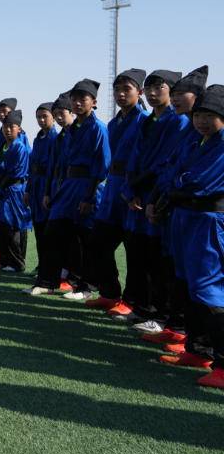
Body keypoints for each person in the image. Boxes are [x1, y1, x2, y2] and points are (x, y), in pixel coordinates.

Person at [154, 84, 224, 389]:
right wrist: (177, 181)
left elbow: (198, 183)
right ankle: (199, 350)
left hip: (209, 221)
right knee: (189, 286)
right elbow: (170, 172)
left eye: (211, 115)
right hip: (186, 219)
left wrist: (178, 181)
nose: (202, 121)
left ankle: (222, 362)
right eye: (199, 115)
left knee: (210, 290)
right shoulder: (198, 142)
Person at [28, 80, 110, 298]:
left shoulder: (98, 128)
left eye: (83, 98)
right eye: (74, 99)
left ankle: (86, 286)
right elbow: (61, 164)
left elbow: (102, 165)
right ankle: (47, 281)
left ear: (94, 102)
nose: (77, 102)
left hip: (87, 186)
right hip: (67, 186)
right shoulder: (71, 130)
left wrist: (90, 196)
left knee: (85, 238)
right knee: (53, 231)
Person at [120, 70, 188, 330]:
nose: (151, 93)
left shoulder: (178, 122)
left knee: (159, 261)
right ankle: (141, 308)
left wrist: (141, 188)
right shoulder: (147, 121)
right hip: (138, 196)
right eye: (148, 88)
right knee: (138, 254)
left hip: (155, 195)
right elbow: (134, 157)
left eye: (158, 87)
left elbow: (165, 162)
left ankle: (160, 315)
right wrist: (130, 191)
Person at [84, 69, 148, 311]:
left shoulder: (144, 121)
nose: (120, 94)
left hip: (132, 191)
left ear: (138, 92)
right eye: (117, 90)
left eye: (127, 90)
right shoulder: (114, 123)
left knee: (135, 252)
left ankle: (131, 302)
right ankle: (109, 293)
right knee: (98, 243)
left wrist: (135, 190)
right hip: (112, 190)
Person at [0, 109, 30, 272]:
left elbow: (15, 173)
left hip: (14, 191)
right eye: (5, 127)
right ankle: (5, 260)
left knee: (12, 226)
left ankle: (17, 262)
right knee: (2, 224)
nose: (7, 130)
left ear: (19, 129)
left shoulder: (19, 146)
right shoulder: (5, 146)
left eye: (12, 127)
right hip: (4, 190)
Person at [24, 102, 57, 279]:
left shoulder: (55, 139)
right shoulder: (38, 139)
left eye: (45, 116)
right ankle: (41, 264)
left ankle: (50, 268)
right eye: (38, 117)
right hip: (35, 187)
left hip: (47, 187)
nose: (41, 120)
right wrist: (28, 190)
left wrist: (48, 192)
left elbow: (53, 168)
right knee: (38, 229)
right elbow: (32, 167)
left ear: (53, 117)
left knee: (48, 231)